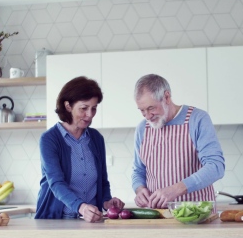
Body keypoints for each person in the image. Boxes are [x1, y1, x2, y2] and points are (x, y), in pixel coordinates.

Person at [35, 76, 124, 222]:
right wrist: (81, 207)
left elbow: (102, 181)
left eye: (94, 108)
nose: (89, 114)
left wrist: (107, 202)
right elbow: (56, 183)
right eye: (84, 108)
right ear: (68, 106)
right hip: (58, 219)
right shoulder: (50, 139)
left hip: (91, 220)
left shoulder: (96, 138)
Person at [132, 74, 225, 209]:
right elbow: (138, 171)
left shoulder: (197, 119)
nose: (147, 116)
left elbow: (216, 167)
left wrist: (176, 189)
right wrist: (139, 189)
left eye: (151, 108)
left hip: (197, 214)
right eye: (142, 110)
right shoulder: (142, 129)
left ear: (167, 97)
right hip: (159, 216)